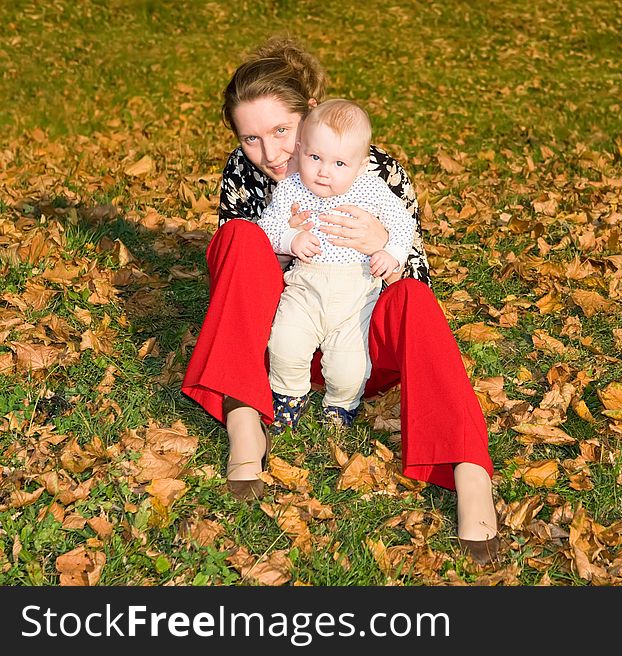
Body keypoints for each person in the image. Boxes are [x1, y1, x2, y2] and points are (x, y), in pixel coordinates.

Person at [181, 36, 498, 565]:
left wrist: (383, 244)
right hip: (278, 340)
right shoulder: (244, 171)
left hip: (357, 343)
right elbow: (240, 281)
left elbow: (409, 277)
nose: (271, 153)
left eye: (282, 131)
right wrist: (285, 244)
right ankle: (241, 415)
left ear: (311, 114)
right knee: (239, 237)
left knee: (416, 301)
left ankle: (467, 468)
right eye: (251, 138)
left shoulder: (377, 173)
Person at [257, 99, 415, 432]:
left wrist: (392, 251)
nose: (324, 171)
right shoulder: (290, 188)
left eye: (340, 163)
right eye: (315, 157)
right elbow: (266, 227)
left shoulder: (372, 189)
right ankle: (288, 395)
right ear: (300, 150)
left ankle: (341, 405)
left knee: (350, 364)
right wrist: (290, 239)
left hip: (355, 297)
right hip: (305, 289)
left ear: (361, 165)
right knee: (284, 342)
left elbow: (403, 223)